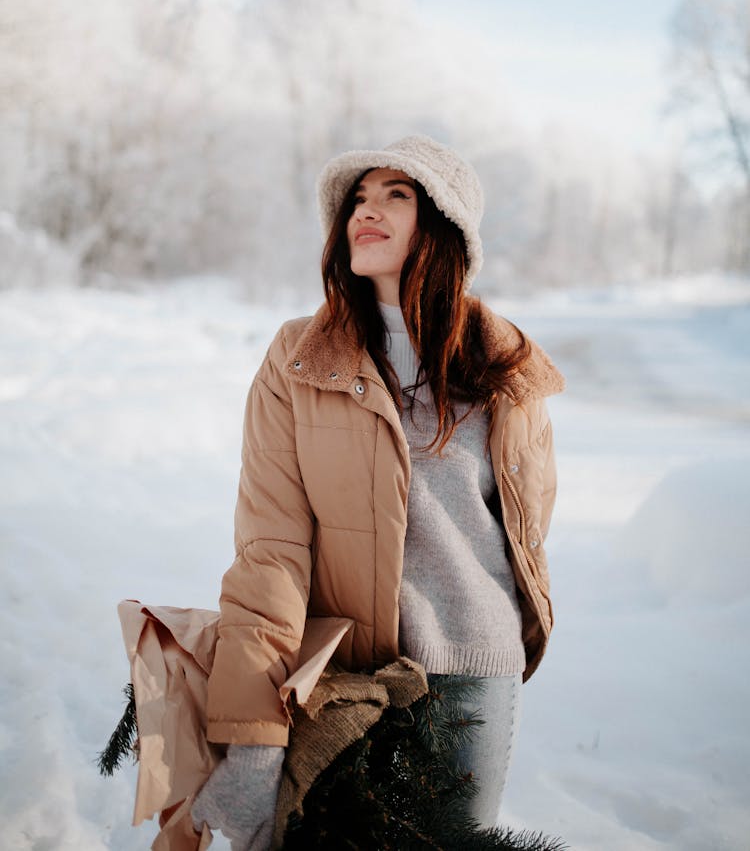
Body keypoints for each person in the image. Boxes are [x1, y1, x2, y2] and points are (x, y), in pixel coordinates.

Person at [192, 135, 564, 850]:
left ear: (445, 226)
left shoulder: (504, 365)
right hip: (344, 676)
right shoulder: (299, 359)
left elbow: (525, 520)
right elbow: (270, 549)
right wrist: (255, 735)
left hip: (471, 674)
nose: (367, 210)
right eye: (358, 198)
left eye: (397, 194)